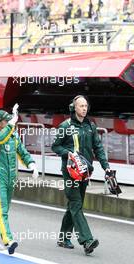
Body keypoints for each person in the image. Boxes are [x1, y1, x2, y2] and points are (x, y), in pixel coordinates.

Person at [51, 95, 110, 255]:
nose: (84, 108)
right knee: (76, 204)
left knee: (74, 206)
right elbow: (55, 146)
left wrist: (106, 167)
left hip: (84, 172)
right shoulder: (65, 126)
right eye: (81, 106)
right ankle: (87, 240)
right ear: (74, 108)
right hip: (70, 173)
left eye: (86, 105)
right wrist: (69, 154)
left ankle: (63, 238)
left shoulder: (90, 126)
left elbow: (97, 148)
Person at [0, 104, 38, 254]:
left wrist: (31, 164)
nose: (9, 123)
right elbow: (0, 138)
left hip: (11, 178)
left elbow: (22, 151)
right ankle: (8, 239)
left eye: (10, 121)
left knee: (2, 210)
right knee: (2, 211)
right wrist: (11, 126)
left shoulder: (13, 136)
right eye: (6, 121)